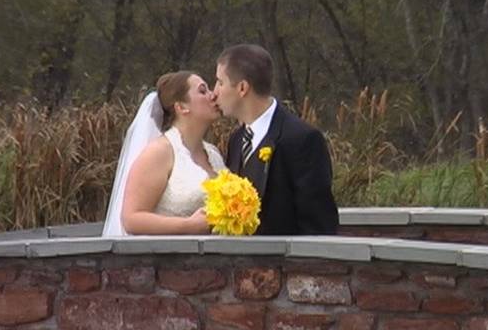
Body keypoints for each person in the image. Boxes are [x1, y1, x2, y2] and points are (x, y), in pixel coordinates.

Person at [214, 44, 339, 235]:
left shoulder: (303, 139)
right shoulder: (237, 140)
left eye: (220, 83)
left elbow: (319, 225)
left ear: (242, 88)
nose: (215, 92)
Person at [102, 71, 225, 236]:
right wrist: (188, 226)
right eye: (203, 91)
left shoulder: (214, 154)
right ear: (181, 107)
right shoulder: (160, 152)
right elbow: (131, 218)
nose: (213, 96)